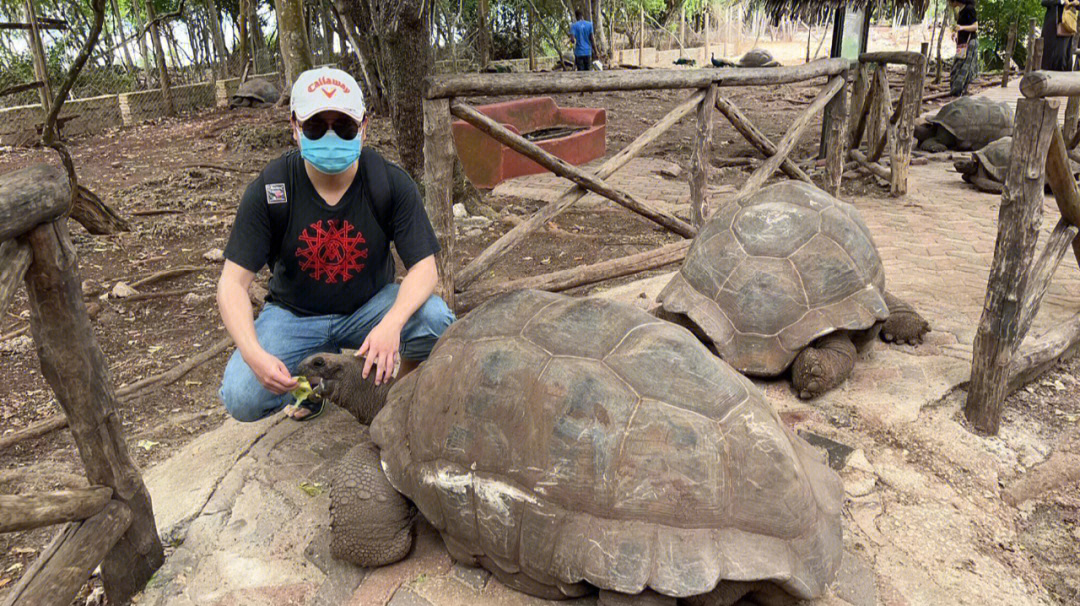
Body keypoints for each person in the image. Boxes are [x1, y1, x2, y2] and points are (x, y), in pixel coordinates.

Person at [217, 67, 455, 422]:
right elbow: (231, 284)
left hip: (370, 307)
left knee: (439, 323)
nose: (330, 137)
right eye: (315, 126)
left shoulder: (389, 182)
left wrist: (391, 325)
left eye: (342, 127)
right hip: (295, 315)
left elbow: (424, 268)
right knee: (241, 396)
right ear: (295, 127)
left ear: (363, 126)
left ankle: (393, 390)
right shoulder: (271, 189)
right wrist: (252, 354)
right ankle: (309, 392)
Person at [949, 0, 979, 97]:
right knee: (957, 66)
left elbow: (975, 27)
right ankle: (957, 90)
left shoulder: (969, 9)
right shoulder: (960, 11)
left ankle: (960, 90)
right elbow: (960, 26)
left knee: (965, 68)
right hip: (962, 44)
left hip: (970, 42)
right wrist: (955, 33)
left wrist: (961, 28)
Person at [1042, 0, 1078, 71]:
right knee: (1053, 54)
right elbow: (1044, 2)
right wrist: (1061, 1)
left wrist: (1076, 3)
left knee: (1064, 54)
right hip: (1053, 27)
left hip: (1067, 26)